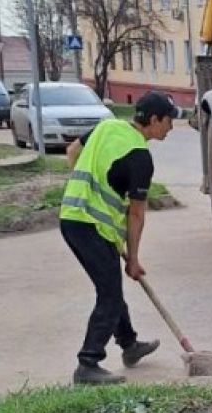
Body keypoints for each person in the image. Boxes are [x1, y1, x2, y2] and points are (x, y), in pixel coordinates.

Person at [60, 91, 181, 385]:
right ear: (154, 120)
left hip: (72, 218)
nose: (171, 128)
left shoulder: (106, 126)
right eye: (169, 121)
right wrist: (134, 259)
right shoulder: (140, 157)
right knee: (110, 295)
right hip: (92, 228)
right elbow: (136, 214)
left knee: (109, 286)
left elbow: (72, 151)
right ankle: (88, 363)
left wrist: (87, 189)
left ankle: (129, 345)